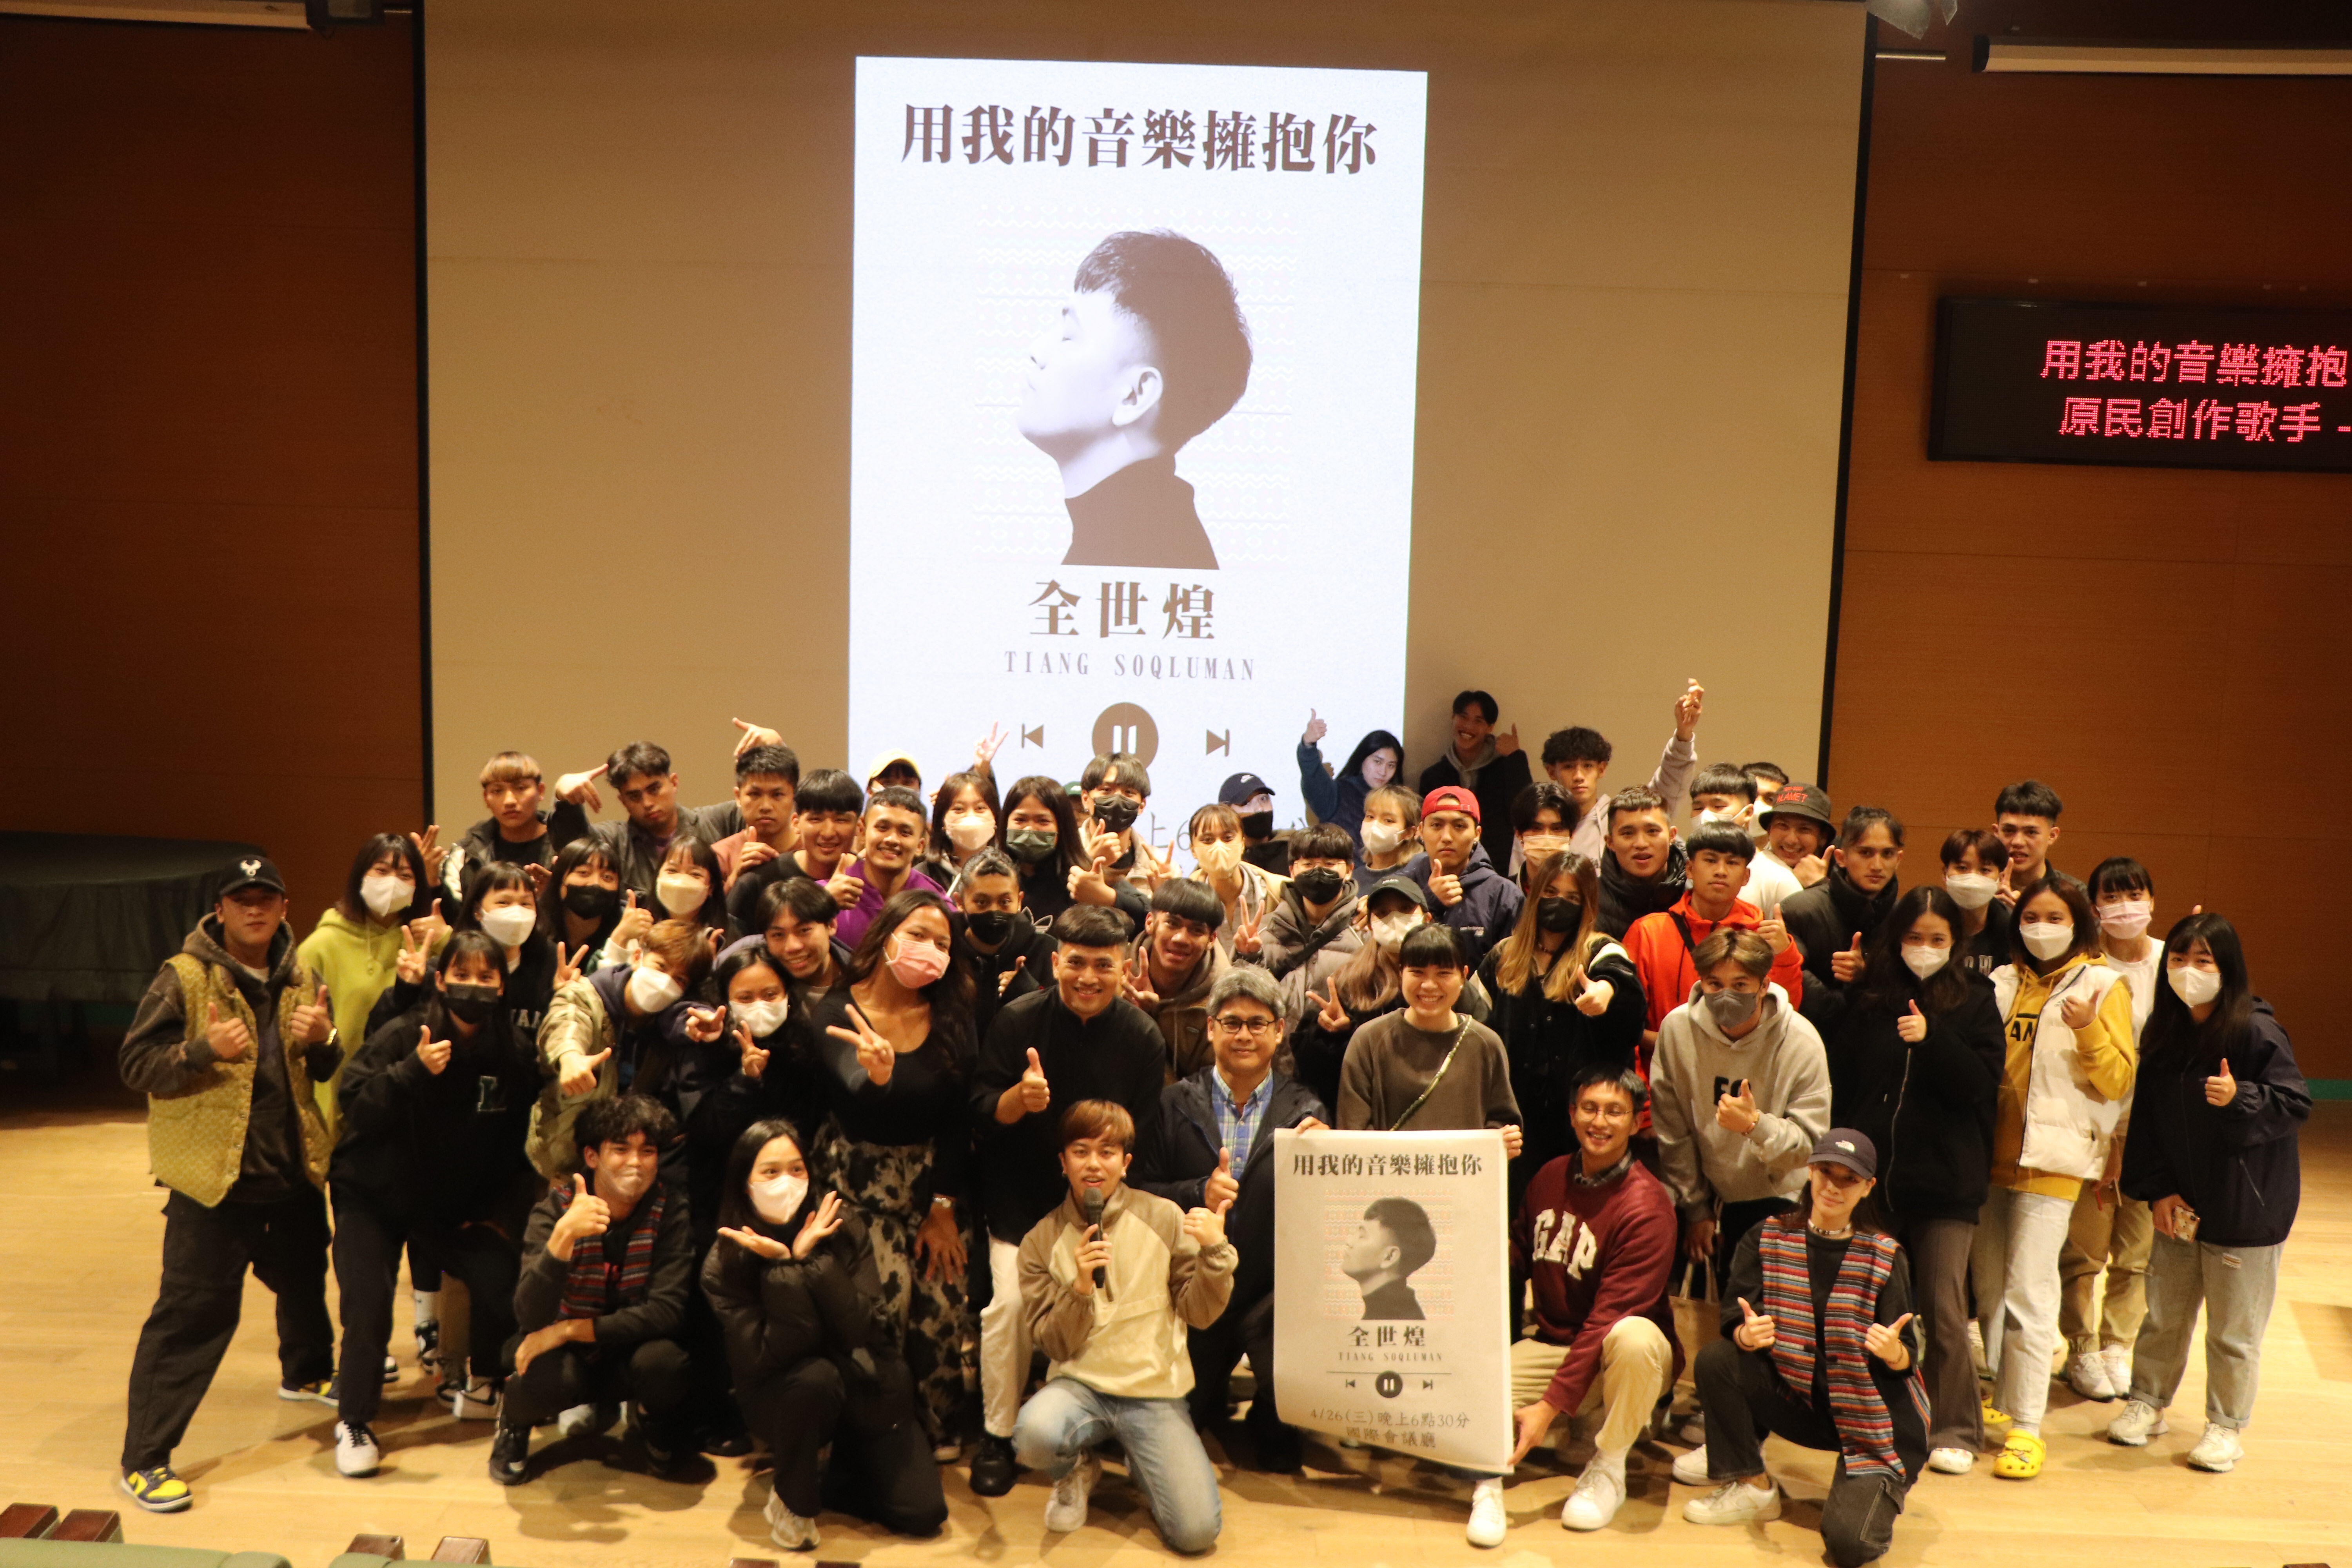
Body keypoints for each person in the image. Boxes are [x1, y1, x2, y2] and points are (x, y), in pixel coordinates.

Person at [118, 857, 341, 1514]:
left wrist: (326, 1040)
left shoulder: (303, 975)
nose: (254, 909)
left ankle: (306, 1374)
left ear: (283, 906)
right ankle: (145, 1460)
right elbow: (135, 1065)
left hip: (291, 1170)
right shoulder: (183, 977)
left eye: (265, 898)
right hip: (213, 1185)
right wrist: (202, 1050)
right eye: (241, 899)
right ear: (220, 909)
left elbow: (321, 1065)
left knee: (304, 1276)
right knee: (193, 1317)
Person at [965, 906, 1167, 1497]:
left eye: (1104, 966)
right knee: (1009, 1308)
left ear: (1124, 970)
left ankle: (1103, 1431)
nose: (1088, 977)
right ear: (1055, 963)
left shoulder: (1143, 1037)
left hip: (1104, 1208)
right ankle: (998, 1434)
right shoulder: (1017, 1020)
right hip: (1021, 1203)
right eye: (1076, 963)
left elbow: (1142, 1144)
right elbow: (979, 1114)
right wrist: (1017, 1100)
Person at [326, 931, 539, 1475]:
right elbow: (355, 1106)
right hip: (371, 1195)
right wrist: (409, 1073)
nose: (473, 987)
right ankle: (354, 1419)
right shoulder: (405, 1034)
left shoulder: (513, 1050)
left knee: (500, 1272)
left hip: (445, 1204)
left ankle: (487, 1383)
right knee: (369, 1304)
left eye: (486, 977)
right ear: (440, 981)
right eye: (461, 976)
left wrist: (496, 1214)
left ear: (502, 985)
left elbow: (517, 1140)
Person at [2107, 913, 2308, 1473]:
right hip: (2181, 1206)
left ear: (2228, 968)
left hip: (2247, 1210)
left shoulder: (2256, 1031)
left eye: (2203, 961)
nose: (2188, 971)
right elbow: (2147, 1123)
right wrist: (2158, 1191)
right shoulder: (2165, 1033)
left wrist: (2241, 1097)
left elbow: (2294, 1103)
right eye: (2178, 959)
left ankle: (2225, 1425)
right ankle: (2147, 1402)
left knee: (2233, 1332)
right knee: (2164, 1316)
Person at [1677, 1131, 1929, 1568]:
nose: (1834, 1186)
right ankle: (1752, 1485)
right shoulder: (1767, 1237)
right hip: (1803, 1398)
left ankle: (1868, 1486)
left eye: (1849, 1179)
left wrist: (1893, 1352)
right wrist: (1746, 1336)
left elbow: (1906, 1357)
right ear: (1810, 1171)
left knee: (1851, 1546)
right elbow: (1735, 1318)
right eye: (1826, 1172)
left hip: (1875, 1418)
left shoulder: (1885, 1254)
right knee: (1719, 1360)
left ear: (1868, 1187)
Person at [1821, 886, 2003, 1474]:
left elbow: (1979, 1086)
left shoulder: (1976, 999)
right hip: (1876, 1183)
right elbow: (1845, 1083)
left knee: (1944, 1308)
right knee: (1866, 1303)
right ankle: (1866, 1413)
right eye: (1914, 937)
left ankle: (1956, 1428)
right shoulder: (1872, 998)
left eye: (1937, 939)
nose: (1925, 948)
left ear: (1956, 943)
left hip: (1947, 1185)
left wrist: (1933, 1040)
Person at [702, 1120, 949, 1548]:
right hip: (784, 1391)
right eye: (770, 1172)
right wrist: (784, 1269)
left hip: (864, 1383)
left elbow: (865, 1326)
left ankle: (843, 1466)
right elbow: (770, 1355)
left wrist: (813, 1262)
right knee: (816, 1377)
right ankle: (792, 1503)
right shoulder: (724, 1261)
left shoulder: (843, 1225)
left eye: (796, 1169)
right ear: (745, 1183)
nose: (786, 1181)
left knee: (924, 1513)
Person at [1013, 1100, 1235, 1553]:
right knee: (1033, 1435)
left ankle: (1146, 1459)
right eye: (1081, 1151)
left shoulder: (1165, 1217)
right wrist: (1079, 1289)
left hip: (1153, 1390)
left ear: (1126, 1162)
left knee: (1196, 1533)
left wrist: (1215, 1253)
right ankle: (1077, 1469)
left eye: (1107, 1152)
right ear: (1063, 1162)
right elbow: (1054, 1343)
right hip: (1080, 1386)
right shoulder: (1039, 1241)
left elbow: (1199, 1313)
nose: (1094, 1164)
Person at [1133, 966, 1329, 1472]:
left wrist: (1329, 1156)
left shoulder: (1306, 1110)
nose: (1244, 1035)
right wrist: (1196, 1192)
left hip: (1271, 1293)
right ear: (1211, 1027)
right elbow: (1140, 1194)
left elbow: (1327, 1214)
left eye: (1258, 1023)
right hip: (1194, 1290)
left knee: (1282, 1449)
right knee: (1180, 1422)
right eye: (1232, 1022)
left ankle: (1270, 1410)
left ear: (1279, 1031)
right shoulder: (1173, 1102)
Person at [802, 889, 976, 1457]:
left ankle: (936, 1425)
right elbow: (853, 1096)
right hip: (857, 1184)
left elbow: (957, 1120)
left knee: (943, 1301)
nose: (930, 950)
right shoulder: (837, 1010)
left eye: (942, 943)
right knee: (883, 1307)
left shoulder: (953, 1015)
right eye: (918, 935)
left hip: (932, 1185)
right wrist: (877, 1077)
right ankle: (875, 1430)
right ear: (884, 937)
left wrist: (943, 1208)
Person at [1972, 874, 2133, 1480]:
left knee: (2029, 1291)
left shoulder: (2102, 985)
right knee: (1991, 1289)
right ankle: (2004, 1392)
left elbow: (2118, 1081)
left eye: (2055, 917)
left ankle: (2027, 1426)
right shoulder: (2001, 981)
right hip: (1987, 1156)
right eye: (2031, 917)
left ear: (2079, 923)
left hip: (2053, 1160)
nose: (2041, 928)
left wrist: (2089, 1028)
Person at [1480, 1066, 1678, 1542]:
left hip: (1618, 1353)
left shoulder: (1649, 1206)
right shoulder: (1550, 1175)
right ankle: (1580, 1424)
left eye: (1615, 1111)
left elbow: (1609, 1319)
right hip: (1553, 1342)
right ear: (1572, 1114)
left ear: (1637, 1122)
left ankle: (1609, 1465)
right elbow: (1519, 1251)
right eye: (1589, 1108)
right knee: (1473, 1402)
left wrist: (1549, 1406)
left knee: (1633, 1337)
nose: (1599, 1121)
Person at [490, 1094, 697, 1484]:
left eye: (647, 1151)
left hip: (626, 1349)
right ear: (592, 1156)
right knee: (534, 1368)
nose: (636, 1162)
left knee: (666, 1364)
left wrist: (569, 1330)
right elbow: (530, 1316)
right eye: (621, 1149)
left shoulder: (670, 1209)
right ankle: (514, 1423)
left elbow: (667, 1310)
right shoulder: (554, 1211)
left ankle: (652, 1420)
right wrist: (562, 1241)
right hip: (567, 1358)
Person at [1020, 228, 1251, 570]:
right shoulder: (1157, 537)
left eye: (1069, 336)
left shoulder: (1129, 558)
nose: (1036, 351)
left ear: (1134, 396)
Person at [1651, 930, 1831, 1284]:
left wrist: (1756, 1126)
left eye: (1740, 985)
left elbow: (1810, 1146)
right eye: (1714, 984)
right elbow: (1673, 1131)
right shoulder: (1676, 1030)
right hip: (1708, 1194)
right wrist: (1696, 1208)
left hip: (1782, 1198)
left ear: (1764, 986)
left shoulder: (1802, 1041)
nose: (1726, 995)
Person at [1479, 849, 1643, 1215]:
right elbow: (1470, 1020)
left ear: (1588, 904)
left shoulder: (1601, 950)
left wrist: (1606, 994)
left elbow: (1618, 981)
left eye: (1572, 897)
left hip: (1580, 1124)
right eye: (1551, 893)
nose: (1559, 904)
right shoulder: (1504, 956)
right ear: (1534, 893)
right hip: (1517, 1121)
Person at [2058, 856, 2164, 1402]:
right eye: (2112, 896)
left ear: (2152, 901)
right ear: (2095, 907)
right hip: (2095, 1123)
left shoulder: (2173, 962)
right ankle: (2081, 1347)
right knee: (2084, 1249)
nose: (2125, 906)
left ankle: (2119, 1345)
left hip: (2155, 1127)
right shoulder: (2083, 967)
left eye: (2135, 894)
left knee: (2138, 1249)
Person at [524, 918, 711, 1181]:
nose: (664, 982)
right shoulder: (586, 994)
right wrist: (570, 1057)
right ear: (637, 957)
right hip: (559, 1159)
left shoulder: (671, 1026)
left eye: (679, 979)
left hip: (625, 1171)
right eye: (660, 966)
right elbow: (567, 1020)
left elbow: (696, 1014)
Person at [1336, 925, 1522, 1149]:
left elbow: (1503, 1123)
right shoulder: (1368, 1040)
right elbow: (1352, 1132)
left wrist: (1503, 1143)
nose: (1429, 985)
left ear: (1464, 976)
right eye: (1418, 972)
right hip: (1389, 1171)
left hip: (1463, 1172)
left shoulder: (1487, 1044)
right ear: (1401, 973)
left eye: (1443, 974)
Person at [1622, 819, 1806, 1045]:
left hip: (1744, 1062)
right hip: (1664, 1061)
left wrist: (1784, 955)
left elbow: (1784, 1013)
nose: (1721, 871)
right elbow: (1627, 1023)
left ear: (1746, 877)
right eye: (1710, 860)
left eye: (1732, 863)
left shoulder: (1762, 936)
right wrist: (1675, 1045)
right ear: (1690, 869)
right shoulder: (1649, 933)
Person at [299, 832, 439, 1127]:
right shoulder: (322, 945)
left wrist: (446, 938)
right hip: (338, 1088)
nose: (392, 882)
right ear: (360, 876)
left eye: (405, 875)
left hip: (411, 1091)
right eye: (382, 871)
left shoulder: (427, 943)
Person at [548, 738, 748, 902]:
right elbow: (572, 843)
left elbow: (762, 807)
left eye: (654, 789)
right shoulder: (614, 840)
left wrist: (767, 746)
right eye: (634, 796)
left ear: (674, 783)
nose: (647, 803)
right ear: (623, 801)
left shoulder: (719, 820)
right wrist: (564, 799)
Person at [1537, 679, 1704, 862]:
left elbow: (1668, 784)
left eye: (1587, 766)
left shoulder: (1622, 816)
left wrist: (1684, 734)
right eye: (1569, 767)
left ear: (1602, 769)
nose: (1579, 776)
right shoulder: (1538, 826)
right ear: (1552, 772)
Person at [1781, 806, 1905, 1031]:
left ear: (1899, 859)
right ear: (1841, 858)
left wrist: (1866, 974)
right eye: (1865, 853)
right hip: (1812, 1036)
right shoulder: (1799, 909)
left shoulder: (1907, 916)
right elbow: (1791, 979)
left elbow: (1911, 990)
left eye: (1887, 854)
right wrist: (1842, 1006)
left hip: (1883, 1039)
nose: (1877, 866)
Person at [726, 768, 863, 932]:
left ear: (859, 826)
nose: (828, 833)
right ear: (796, 823)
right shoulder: (758, 881)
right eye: (816, 819)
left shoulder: (872, 879)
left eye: (841, 820)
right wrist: (823, 902)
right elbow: (729, 943)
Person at [1127, 879, 1232, 1082]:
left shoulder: (1224, 1003)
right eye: (1172, 924)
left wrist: (1147, 1017)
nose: (1181, 939)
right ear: (1150, 923)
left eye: (1197, 931)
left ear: (1211, 940)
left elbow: (1213, 1087)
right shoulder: (1114, 973)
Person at [1403, 784, 1523, 962]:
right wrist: (1429, 901)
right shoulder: (1401, 886)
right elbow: (1391, 955)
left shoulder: (1504, 895)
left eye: (1459, 826)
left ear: (1477, 834)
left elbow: (1515, 968)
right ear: (1421, 831)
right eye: (1436, 825)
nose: (1447, 837)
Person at [1416, 690, 1533, 868]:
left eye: (1479, 721)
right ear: (1453, 718)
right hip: (1445, 867)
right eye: (1463, 717)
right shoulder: (1433, 776)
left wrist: (1515, 757)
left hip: (1498, 867)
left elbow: (1526, 811)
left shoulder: (1505, 768)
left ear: (1490, 727)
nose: (1469, 726)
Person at [955, 846, 1051, 1047]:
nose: (994, 911)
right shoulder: (945, 951)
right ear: (960, 902)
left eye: (1005, 902)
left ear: (1019, 901)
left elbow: (1059, 1030)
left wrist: (1033, 995)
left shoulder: (1046, 951)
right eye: (982, 902)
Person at [830, 786, 946, 951]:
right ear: (862, 831)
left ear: (920, 846)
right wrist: (823, 906)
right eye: (882, 828)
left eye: (905, 832)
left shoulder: (937, 904)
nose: (892, 839)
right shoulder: (827, 895)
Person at [440, 750, 560, 900]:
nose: (509, 801)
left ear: (540, 791)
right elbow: (453, 912)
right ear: (486, 798)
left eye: (521, 788)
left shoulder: (565, 847)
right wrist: (432, 882)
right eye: (498, 791)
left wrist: (556, 897)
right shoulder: (466, 855)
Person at [1256, 822, 1361, 981]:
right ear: (1292, 871)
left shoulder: (1365, 929)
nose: (1318, 871)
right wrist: (1247, 955)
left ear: (1349, 870)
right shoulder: (1265, 930)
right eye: (1308, 864)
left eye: (1329, 864)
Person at [1690, 764, 1800, 913]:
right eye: (1698, 808)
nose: (1706, 816)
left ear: (1748, 813)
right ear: (1689, 870)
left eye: (1719, 806)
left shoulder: (1778, 878)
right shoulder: (1687, 865)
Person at [1185, 800, 1286, 960]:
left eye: (1228, 838)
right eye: (1208, 840)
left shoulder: (1277, 892)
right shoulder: (1185, 901)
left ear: (1242, 844)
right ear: (1193, 850)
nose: (1219, 847)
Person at [1295, 713, 1403, 849]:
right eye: (1377, 762)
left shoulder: (1400, 802)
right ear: (1362, 759)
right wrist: (1308, 745)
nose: (1383, 772)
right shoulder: (1338, 794)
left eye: (1391, 766)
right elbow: (1312, 774)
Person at [1595, 787, 1689, 938]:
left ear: (1672, 836)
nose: (1641, 844)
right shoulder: (1590, 900)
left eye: (1652, 831)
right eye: (1628, 833)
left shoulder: (1696, 892)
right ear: (1610, 842)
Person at [710, 743, 800, 897]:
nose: (766, 806)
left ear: (795, 797)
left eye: (777, 795)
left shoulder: (812, 852)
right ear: (738, 797)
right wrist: (735, 879)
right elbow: (705, 913)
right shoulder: (718, 858)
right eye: (755, 794)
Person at [1000, 773, 1087, 925]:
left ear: (1063, 826)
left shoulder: (1081, 883)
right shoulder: (989, 876)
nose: (1030, 829)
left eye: (1043, 821)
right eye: (1020, 820)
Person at [1341, 1198, 1435, 1319]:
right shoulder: (1402, 1311)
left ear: (1390, 1257)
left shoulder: (1388, 1318)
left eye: (1362, 1236)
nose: (1349, 1242)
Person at [1938, 826, 2012, 978]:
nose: (1972, 878)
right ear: (1945, 873)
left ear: (2001, 879)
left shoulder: (2011, 931)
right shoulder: (1926, 922)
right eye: (1962, 868)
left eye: (1985, 870)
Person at [921, 769, 1001, 889]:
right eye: (959, 809)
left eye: (980, 808)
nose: (971, 816)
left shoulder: (1008, 873)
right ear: (942, 820)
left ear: (995, 817)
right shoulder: (923, 877)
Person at [1992, 779, 2065, 903]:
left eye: (2031, 832)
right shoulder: (1979, 891)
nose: (2018, 842)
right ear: (1996, 832)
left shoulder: (2076, 894)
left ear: (2052, 836)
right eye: (2009, 831)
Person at [1756, 782, 1834, 893]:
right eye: (1783, 826)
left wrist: (1819, 884)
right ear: (1769, 830)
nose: (1791, 840)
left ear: (1823, 837)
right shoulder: (1752, 871)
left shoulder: (1842, 876)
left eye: (1804, 829)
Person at [1220, 770, 1292, 877]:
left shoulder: (1296, 852)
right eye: (1246, 803)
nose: (1260, 809)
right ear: (1227, 812)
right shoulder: (1219, 862)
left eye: (1264, 799)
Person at [1351, 783, 1420, 893]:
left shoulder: (1417, 873)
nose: (1374, 826)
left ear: (1409, 833)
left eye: (1388, 820)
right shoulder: (1353, 880)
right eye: (1370, 817)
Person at [1504, 780, 1577, 882]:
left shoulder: (1588, 891)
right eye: (1536, 828)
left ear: (1572, 835)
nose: (1547, 838)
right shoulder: (1502, 891)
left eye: (1557, 829)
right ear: (1519, 834)